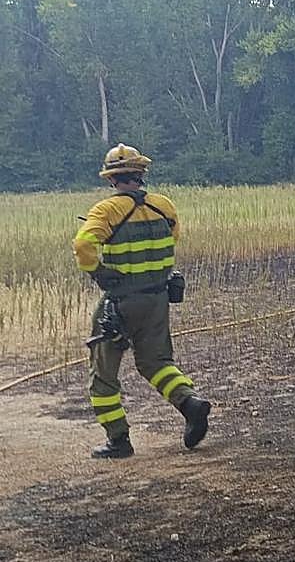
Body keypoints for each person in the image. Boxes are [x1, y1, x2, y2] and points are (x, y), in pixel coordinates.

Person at [72, 144, 210, 459]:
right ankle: (190, 404)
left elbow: (82, 245)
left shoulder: (106, 211)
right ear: (141, 174)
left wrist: (99, 273)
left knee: (103, 374)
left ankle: (118, 441)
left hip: (121, 303)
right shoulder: (164, 206)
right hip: (158, 298)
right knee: (156, 363)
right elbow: (172, 238)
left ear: (111, 179)